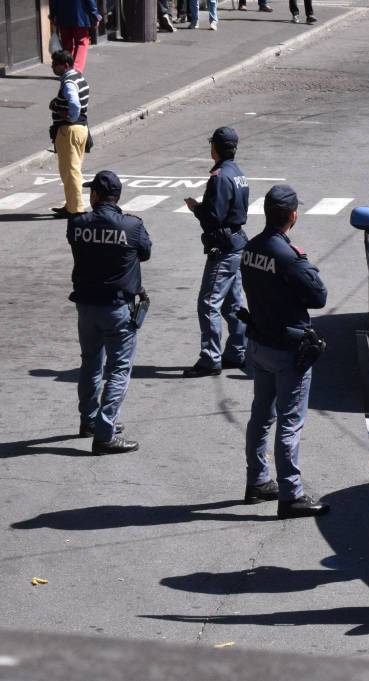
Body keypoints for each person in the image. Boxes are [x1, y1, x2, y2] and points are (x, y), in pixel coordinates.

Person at [240, 185, 329, 518]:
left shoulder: (251, 248)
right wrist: (302, 262)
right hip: (288, 350)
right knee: (289, 423)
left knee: (261, 416)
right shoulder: (288, 256)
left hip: (260, 343)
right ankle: (290, 495)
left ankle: (258, 481)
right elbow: (319, 296)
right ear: (293, 215)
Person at [67, 171, 151, 454]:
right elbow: (145, 252)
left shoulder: (77, 223)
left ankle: (89, 421)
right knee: (118, 370)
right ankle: (104, 434)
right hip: (117, 309)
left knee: (90, 363)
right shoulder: (132, 226)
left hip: (87, 308)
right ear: (117, 197)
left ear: (94, 196)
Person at [182, 127, 249, 377]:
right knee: (233, 304)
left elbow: (214, 216)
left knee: (208, 303)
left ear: (215, 148)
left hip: (224, 248)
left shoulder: (219, 177)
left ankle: (210, 358)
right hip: (237, 244)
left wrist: (196, 208)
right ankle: (237, 351)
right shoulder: (238, 173)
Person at [49, 50, 90, 217]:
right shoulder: (80, 78)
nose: (52, 67)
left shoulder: (68, 82)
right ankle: (71, 204)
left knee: (70, 170)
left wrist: (69, 116)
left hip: (69, 130)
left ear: (65, 65)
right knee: (74, 168)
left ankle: (75, 209)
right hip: (81, 129)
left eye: (55, 65)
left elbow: (74, 103)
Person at [48, 0, 99, 73]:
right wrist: (95, 15)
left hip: (63, 14)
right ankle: (76, 70)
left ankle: (65, 69)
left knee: (66, 43)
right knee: (82, 42)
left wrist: (53, 14)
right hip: (80, 15)